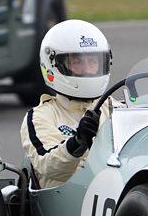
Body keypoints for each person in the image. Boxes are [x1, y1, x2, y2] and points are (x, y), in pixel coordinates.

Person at [21, 19, 113, 189]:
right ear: (54, 66)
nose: (87, 70)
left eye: (93, 62)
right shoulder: (42, 115)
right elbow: (48, 166)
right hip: (71, 198)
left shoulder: (116, 109)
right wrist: (78, 142)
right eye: (77, 62)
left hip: (117, 192)